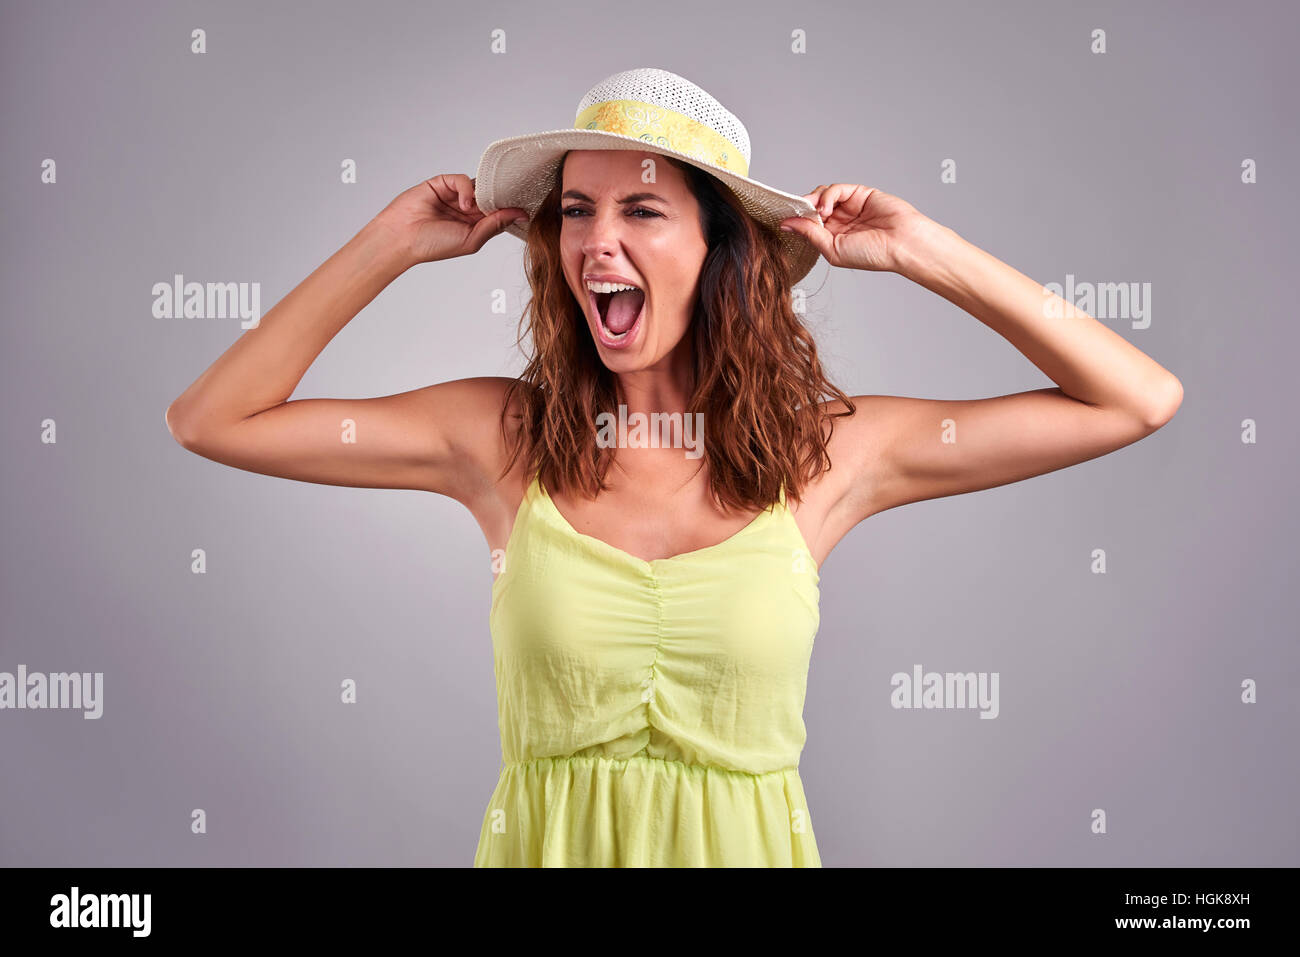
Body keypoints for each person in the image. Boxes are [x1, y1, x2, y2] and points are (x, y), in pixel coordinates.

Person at [165, 68, 1183, 867]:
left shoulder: (825, 455)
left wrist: (929, 251)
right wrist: (388, 242)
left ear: (718, 249)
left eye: (641, 212)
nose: (596, 243)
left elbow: (1134, 398)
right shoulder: (500, 441)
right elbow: (214, 419)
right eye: (574, 211)